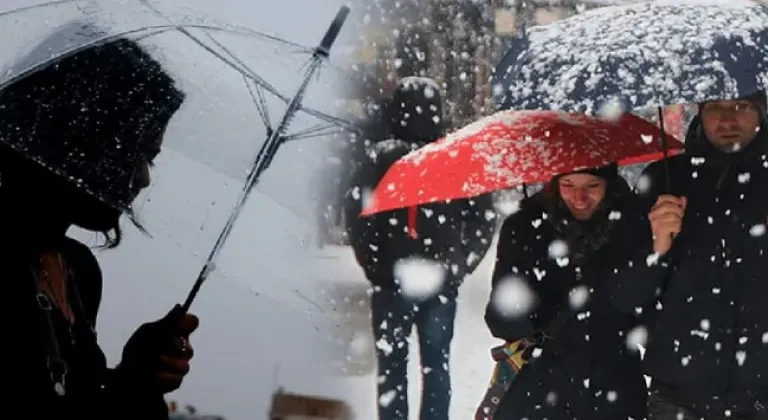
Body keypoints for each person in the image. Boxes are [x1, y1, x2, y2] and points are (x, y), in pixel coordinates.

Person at [0, 34, 197, 418]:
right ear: (77, 136)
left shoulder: (77, 269)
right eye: (134, 152)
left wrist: (137, 378)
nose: (143, 178)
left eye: (151, 159)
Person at [344, 77, 496, 420]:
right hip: (440, 280)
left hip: (392, 280)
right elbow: (483, 218)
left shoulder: (380, 158)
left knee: (391, 368)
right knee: (437, 366)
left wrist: (375, 263)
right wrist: (460, 263)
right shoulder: (456, 158)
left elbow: (356, 214)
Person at [610, 91, 768, 419]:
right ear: (699, 111)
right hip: (679, 394)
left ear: (761, 113)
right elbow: (625, 298)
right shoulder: (664, 180)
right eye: (715, 108)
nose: (727, 119)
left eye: (741, 107)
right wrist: (657, 248)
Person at [485, 164, 649, 420]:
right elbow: (500, 321)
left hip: (615, 390)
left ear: (610, 185)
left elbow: (647, 314)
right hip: (540, 389)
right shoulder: (524, 229)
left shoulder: (635, 226)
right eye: (568, 185)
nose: (579, 197)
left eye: (591, 186)